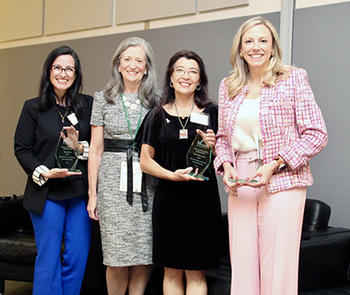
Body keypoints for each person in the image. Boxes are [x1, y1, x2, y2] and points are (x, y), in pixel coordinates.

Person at [214, 16, 328, 295]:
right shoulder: (228, 86)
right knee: (241, 266)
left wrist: (275, 164)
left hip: (282, 179)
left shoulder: (292, 78)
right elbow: (222, 139)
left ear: (273, 46)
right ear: (240, 49)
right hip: (240, 181)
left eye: (263, 40)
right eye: (249, 41)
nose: (256, 47)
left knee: (278, 266)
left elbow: (317, 133)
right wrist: (226, 165)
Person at [140, 50, 222, 295]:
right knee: (172, 270)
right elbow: (145, 161)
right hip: (168, 201)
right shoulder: (156, 115)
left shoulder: (212, 111)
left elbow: (225, 157)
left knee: (197, 272)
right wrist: (171, 175)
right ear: (171, 77)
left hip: (202, 202)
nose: (186, 76)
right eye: (180, 70)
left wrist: (214, 147)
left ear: (200, 80)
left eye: (193, 71)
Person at [14, 46, 92, 295]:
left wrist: (79, 147)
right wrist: (44, 172)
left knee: (78, 256)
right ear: (48, 71)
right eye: (58, 67)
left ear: (76, 74)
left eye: (69, 68)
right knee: (48, 259)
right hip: (46, 192)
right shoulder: (33, 108)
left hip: (78, 192)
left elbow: (95, 148)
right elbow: (22, 149)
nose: (63, 73)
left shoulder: (86, 106)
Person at [86, 37, 159, 295]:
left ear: (147, 67)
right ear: (118, 64)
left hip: (146, 181)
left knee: (143, 252)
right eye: (128, 59)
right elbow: (95, 150)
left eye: (139, 60)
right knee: (115, 255)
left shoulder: (157, 101)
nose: (133, 65)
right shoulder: (102, 98)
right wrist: (92, 194)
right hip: (111, 183)